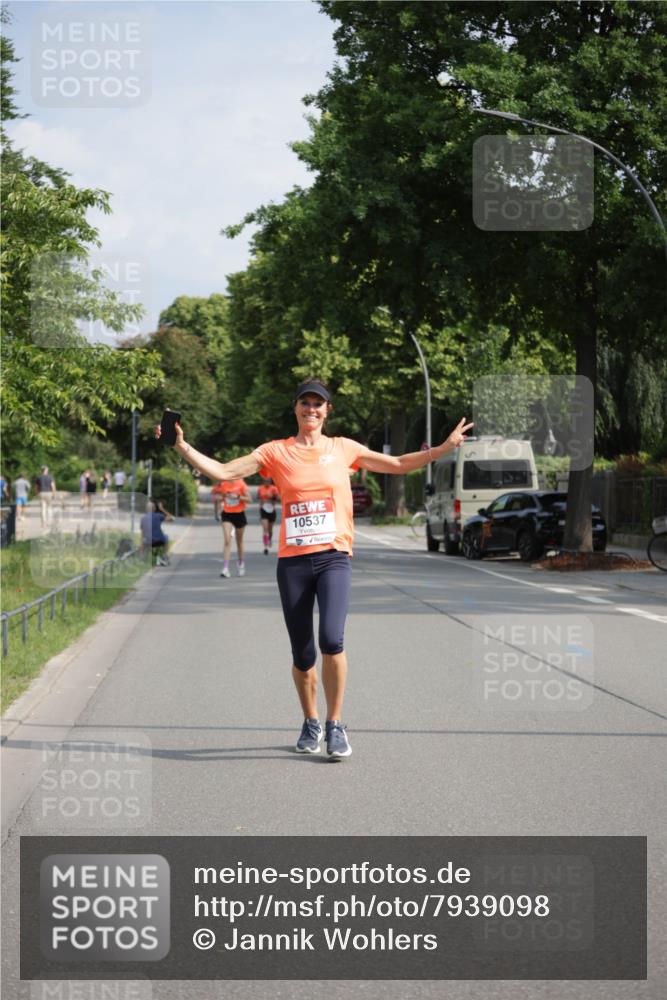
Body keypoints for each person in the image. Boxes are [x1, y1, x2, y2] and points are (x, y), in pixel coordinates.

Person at [156, 378, 472, 760]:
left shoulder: (343, 449)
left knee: (332, 639)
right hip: (293, 562)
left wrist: (443, 448)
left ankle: (336, 724)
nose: (311, 410)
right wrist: (181, 446)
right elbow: (223, 472)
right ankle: (311, 720)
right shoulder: (276, 452)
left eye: (318, 404)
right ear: (296, 409)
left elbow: (398, 464)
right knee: (303, 654)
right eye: (305, 403)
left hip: (334, 557)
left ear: (327, 411)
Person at [219, 478, 251, 578]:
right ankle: (225, 568)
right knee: (227, 540)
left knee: (239, 541)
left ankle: (241, 563)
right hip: (227, 514)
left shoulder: (241, 483)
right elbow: (221, 498)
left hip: (239, 514)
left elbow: (249, 499)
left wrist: (237, 496)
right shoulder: (223, 484)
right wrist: (220, 505)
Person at [140, 499, 173, 565]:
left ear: (146, 509)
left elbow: (142, 533)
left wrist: (141, 543)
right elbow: (171, 518)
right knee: (166, 537)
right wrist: (162, 509)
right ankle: (165, 555)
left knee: (143, 540)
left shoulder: (143, 518)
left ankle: (142, 558)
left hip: (148, 542)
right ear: (154, 509)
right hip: (159, 541)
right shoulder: (158, 516)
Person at [258, 477, 280, 554]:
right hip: (263, 510)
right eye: (265, 481)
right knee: (265, 529)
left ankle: (270, 539)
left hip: (272, 510)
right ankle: (265, 547)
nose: (266, 482)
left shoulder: (274, 489)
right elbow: (260, 499)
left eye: (268, 481)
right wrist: (260, 508)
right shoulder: (260, 488)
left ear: (271, 482)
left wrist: (274, 497)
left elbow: (278, 499)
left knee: (270, 530)